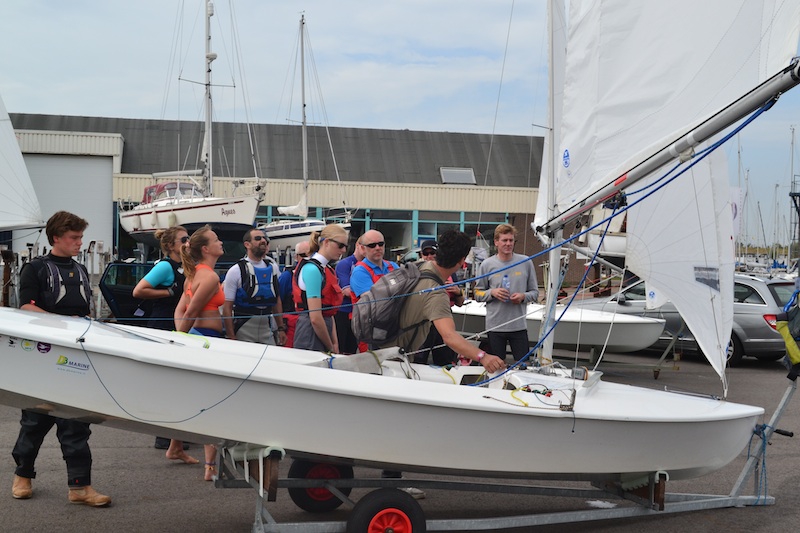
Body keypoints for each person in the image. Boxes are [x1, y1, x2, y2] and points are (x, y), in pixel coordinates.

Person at [378, 230, 505, 499]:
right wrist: (484, 357)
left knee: (395, 422)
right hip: (397, 359)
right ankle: (392, 486)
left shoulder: (423, 267)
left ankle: (391, 479)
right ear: (461, 261)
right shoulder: (435, 292)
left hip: (384, 351)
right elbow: (450, 337)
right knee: (400, 424)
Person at [11, 210, 111, 507]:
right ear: (56, 238)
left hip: (76, 356)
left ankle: (80, 487)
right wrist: (63, 324)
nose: (80, 243)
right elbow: (26, 309)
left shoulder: (80, 269)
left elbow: (88, 311)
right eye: (74, 238)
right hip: (43, 355)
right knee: (34, 421)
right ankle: (22, 475)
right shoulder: (35, 269)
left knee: (76, 424)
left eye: (81, 237)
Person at [131, 226, 195, 456]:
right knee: (166, 382)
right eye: (184, 239)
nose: (188, 242)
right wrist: (167, 293)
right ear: (170, 246)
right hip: (163, 326)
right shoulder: (166, 267)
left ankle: (177, 434)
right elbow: (139, 291)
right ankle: (163, 435)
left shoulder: (186, 266)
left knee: (181, 381)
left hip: (180, 326)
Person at [174, 224, 226, 481]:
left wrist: (183, 336)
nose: (221, 243)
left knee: (199, 398)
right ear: (206, 248)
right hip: (205, 339)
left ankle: (178, 448)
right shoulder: (209, 277)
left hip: (204, 339)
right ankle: (209, 466)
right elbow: (191, 311)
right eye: (216, 240)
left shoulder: (194, 275)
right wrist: (181, 341)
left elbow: (180, 311)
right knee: (210, 401)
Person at [474, 224, 539, 362]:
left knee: (523, 366)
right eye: (504, 240)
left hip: (518, 326)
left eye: (511, 240)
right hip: (495, 327)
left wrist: (523, 297)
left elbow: (535, 293)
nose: (508, 244)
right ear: (496, 242)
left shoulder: (526, 262)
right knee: (496, 367)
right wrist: (492, 293)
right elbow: (477, 294)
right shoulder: (487, 264)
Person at [222, 229, 287, 345]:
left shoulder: (273, 267)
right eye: (258, 238)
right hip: (244, 328)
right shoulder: (236, 270)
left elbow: (276, 300)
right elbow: (227, 307)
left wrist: (281, 328)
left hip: (267, 328)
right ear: (247, 244)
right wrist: (231, 336)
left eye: (264, 238)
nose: (263, 241)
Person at [292, 225, 346, 353]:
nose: (343, 250)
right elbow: (315, 318)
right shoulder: (313, 270)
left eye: (346, 246)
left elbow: (329, 312)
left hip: (323, 328)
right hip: (310, 332)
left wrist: (335, 342)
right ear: (326, 242)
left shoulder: (326, 269)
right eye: (340, 245)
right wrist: (330, 346)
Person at [414, 239, 465, 365]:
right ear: (421, 255)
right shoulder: (415, 272)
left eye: (433, 253)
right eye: (426, 254)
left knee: (444, 359)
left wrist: (458, 292)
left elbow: (460, 303)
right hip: (423, 321)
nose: (429, 256)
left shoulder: (449, 273)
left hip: (444, 319)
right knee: (418, 360)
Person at [350, 230, 398, 352]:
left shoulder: (393, 266)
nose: (377, 248)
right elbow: (374, 302)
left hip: (394, 327)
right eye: (372, 245)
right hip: (371, 330)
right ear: (362, 248)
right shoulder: (360, 271)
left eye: (380, 244)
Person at [334, 237, 365, 354]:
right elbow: (346, 291)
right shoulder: (345, 264)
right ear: (358, 245)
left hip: (360, 313)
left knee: (353, 349)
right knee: (341, 348)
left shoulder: (370, 265)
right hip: (344, 311)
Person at [278, 241, 311, 348]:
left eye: (312, 255)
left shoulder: (318, 274)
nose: (308, 258)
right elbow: (278, 301)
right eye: (304, 255)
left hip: (311, 322)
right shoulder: (287, 276)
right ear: (296, 257)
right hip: (291, 323)